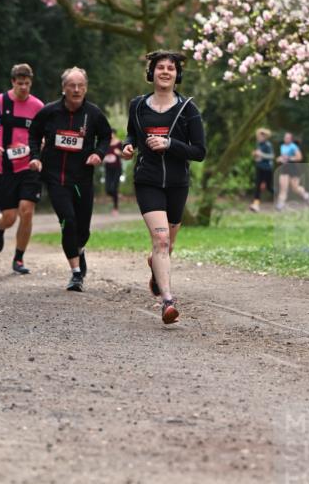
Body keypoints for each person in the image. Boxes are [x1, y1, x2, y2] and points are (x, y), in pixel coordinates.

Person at [121, 50, 206, 324]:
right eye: (160, 68)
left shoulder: (188, 109)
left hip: (177, 184)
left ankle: (156, 267)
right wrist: (128, 146)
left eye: (171, 68)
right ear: (152, 73)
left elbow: (200, 151)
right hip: (148, 180)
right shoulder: (137, 105)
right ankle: (167, 301)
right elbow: (132, 133)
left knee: (166, 247)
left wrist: (170, 144)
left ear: (176, 75)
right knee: (161, 240)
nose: (165, 72)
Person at [28, 67, 111, 290]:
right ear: (63, 88)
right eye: (71, 86)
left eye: (80, 85)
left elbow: (105, 136)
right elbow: (34, 134)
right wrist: (35, 157)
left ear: (86, 88)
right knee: (68, 222)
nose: (76, 89)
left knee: (83, 229)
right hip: (55, 178)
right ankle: (76, 273)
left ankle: (79, 249)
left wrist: (98, 154)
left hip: (82, 179)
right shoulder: (49, 112)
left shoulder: (93, 114)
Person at [0, 63, 44, 273]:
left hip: (29, 166)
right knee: (10, 218)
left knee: (27, 210)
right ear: (13, 82)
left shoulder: (38, 106)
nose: (23, 87)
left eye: (27, 84)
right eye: (20, 83)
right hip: (5, 167)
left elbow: (44, 135)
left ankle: (19, 258)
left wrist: (37, 151)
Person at [275, 132, 309, 210]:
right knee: (283, 187)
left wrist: (289, 158)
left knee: (295, 188)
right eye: (285, 137)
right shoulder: (282, 146)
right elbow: (282, 157)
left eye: (288, 138)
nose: (286, 139)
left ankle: (305, 195)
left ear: (291, 139)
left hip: (293, 168)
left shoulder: (293, 147)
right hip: (284, 168)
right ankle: (280, 204)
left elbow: (299, 157)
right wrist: (279, 159)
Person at [249, 127, 274, 212]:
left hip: (267, 169)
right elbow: (259, 157)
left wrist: (261, 154)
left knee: (268, 187)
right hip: (259, 167)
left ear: (264, 137)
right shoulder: (258, 144)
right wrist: (255, 155)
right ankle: (256, 205)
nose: (258, 138)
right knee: (258, 186)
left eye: (260, 137)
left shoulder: (268, 145)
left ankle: (281, 197)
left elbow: (271, 156)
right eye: (258, 136)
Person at [104, 129, 123, 216]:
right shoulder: (106, 143)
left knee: (113, 188)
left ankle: (115, 208)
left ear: (115, 134)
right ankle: (116, 195)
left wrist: (120, 153)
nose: (110, 135)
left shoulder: (119, 143)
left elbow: (126, 155)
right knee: (108, 189)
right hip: (108, 169)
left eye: (112, 133)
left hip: (117, 169)